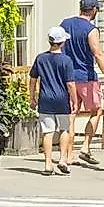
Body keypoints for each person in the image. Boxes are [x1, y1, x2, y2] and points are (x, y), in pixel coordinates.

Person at [60, 0, 104, 166]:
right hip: (87, 77)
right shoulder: (91, 29)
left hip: (68, 77)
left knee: (71, 116)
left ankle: (69, 154)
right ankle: (86, 147)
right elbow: (97, 53)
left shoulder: (65, 24)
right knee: (97, 110)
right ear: (94, 10)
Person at [30, 27, 79, 175]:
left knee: (47, 132)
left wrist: (31, 96)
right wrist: (75, 101)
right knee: (64, 129)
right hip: (61, 99)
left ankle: (47, 163)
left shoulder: (41, 58)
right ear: (62, 42)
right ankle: (63, 159)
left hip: (45, 99)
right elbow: (70, 83)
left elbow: (33, 79)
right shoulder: (66, 60)